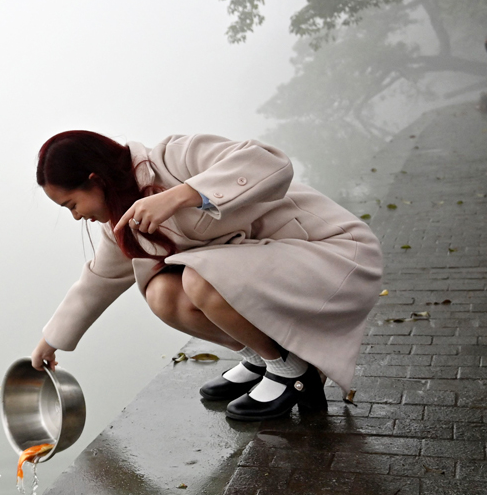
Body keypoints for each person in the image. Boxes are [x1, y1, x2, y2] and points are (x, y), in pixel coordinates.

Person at [29, 130, 383, 421]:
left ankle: (292, 371)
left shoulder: (174, 156)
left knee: (200, 278)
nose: (76, 217)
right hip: (274, 271)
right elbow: (96, 282)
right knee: (162, 293)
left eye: (71, 205)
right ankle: (264, 358)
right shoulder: (121, 224)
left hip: (330, 252)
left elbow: (271, 162)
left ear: (96, 180)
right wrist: (51, 342)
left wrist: (183, 195)